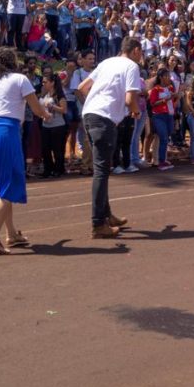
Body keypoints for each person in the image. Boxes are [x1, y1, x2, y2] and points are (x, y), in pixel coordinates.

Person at [0, 47, 51, 254]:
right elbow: (35, 108)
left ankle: (12, 234)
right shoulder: (19, 79)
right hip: (7, 132)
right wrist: (46, 114)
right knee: (9, 185)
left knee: (3, 186)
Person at [75, 37, 145, 238]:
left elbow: (82, 87)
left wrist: (94, 103)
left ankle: (106, 216)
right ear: (135, 51)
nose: (141, 57)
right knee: (101, 172)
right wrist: (135, 112)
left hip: (90, 114)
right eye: (140, 53)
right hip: (104, 118)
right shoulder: (131, 66)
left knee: (101, 169)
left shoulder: (106, 62)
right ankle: (98, 224)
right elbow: (131, 98)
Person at [39, 74, 68, 178]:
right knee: (45, 149)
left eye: (45, 82)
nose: (43, 84)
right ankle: (48, 169)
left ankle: (58, 169)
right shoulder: (45, 95)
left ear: (52, 83)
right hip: (45, 125)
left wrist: (52, 106)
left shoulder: (59, 95)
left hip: (58, 126)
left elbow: (64, 110)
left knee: (57, 149)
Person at [148, 67, 178, 170]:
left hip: (169, 115)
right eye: (166, 76)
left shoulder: (170, 88)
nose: (169, 78)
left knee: (167, 135)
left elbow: (173, 102)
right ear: (161, 77)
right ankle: (161, 161)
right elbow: (152, 103)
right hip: (159, 116)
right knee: (163, 137)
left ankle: (162, 159)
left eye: (169, 76)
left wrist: (176, 96)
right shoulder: (155, 89)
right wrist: (165, 100)